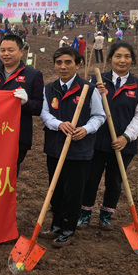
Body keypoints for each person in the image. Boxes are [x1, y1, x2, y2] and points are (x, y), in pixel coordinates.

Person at [39, 47, 105, 248]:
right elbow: (44, 113)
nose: (63, 67)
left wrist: (86, 129)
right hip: (55, 148)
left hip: (79, 150)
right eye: (59, 63)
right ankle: (55, 225)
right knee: (55, 189)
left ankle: (68, 229)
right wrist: (58, 124)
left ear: (78, 64)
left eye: (68, 62)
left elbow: (99, 116)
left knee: (73, 191)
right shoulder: (49, 89)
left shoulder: (88, 89)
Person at [78, 42, 138, 228]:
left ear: (132, 60)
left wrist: (126, 137)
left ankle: (106, 215)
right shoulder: (97, 81)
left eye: (126, 56)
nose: (122, 60)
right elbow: (85, 109)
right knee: (91, 178)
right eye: (118, 56)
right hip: (97, 141)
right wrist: (95, 93)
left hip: (124, 144)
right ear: (110, 59)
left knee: (115, 181)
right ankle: (84, 213)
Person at [0, 35, 44, 175]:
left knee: (9, 175)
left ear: (21, 51)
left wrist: (26, 102)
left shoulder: (33, 75)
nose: (6, 54)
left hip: (17, 136)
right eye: (3, 50)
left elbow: (39, 107)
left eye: (11, 50)